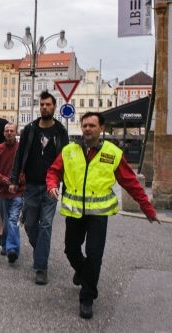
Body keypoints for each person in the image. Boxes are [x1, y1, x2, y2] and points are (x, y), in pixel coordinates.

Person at [46, 111, 160, 319]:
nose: (87, 129)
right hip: (75, 212)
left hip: (98, 214)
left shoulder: (113, 153)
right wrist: (52, 185)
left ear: (102, 129)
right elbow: (54, 171)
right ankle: (82, 272)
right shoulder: (70, 150)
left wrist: (147, 208)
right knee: (71, 249)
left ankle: (87, 297)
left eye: (92, 125)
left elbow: (131, 183)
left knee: (95, 255)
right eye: (85, 125)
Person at [9, 91, 69, 285]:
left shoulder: (60, 131)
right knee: (30, 224)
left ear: (54, 106)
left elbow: (67, 160)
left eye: (48, 104)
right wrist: (14, 180)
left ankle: (41, 268)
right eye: (42, 104)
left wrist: (66, 186)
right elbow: (19, 157)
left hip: (51, 187)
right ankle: (40, 251)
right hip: (31, 186)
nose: (44, 107)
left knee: (46, 225)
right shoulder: (30, 130)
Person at [0, 124, 25, 263]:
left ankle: (12, 249)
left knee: (12, 220)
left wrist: (17, 180)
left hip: (17, 192)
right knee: (6, 219)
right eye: (7, 131)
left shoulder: (22, 149)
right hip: (2, 192)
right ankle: (5, 245)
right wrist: (2, 179)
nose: (9, 133)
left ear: (16, 132)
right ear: (3, 133)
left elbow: (26, 169)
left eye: (11, 131)